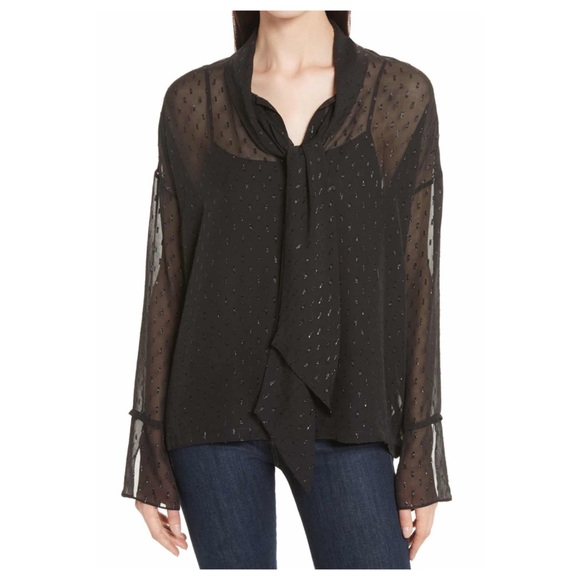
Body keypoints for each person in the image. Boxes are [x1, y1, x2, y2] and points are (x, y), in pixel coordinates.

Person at [121, 10, 452, 569]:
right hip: (213, 412)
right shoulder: (193, 102)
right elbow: (168, 281)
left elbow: (418, 278)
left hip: (349, 406)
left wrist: (422, 447)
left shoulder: (400, 96)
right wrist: (147, 447)